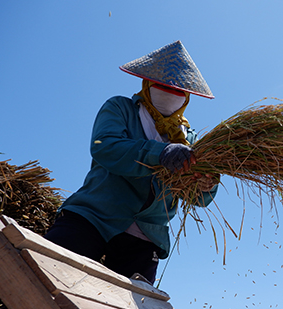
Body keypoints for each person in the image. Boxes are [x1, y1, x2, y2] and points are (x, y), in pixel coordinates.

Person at [44, 41, 218, 285]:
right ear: (147, 83)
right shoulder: (121, 108)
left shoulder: (190, 139)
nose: (169, 92)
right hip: (93, 218)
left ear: (187, 96)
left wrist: (206, 185)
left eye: (178, 89)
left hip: (145, 238)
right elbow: (106, 148)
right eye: (162, 85)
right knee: (44, 284)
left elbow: (197, 198)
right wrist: (160, 153)